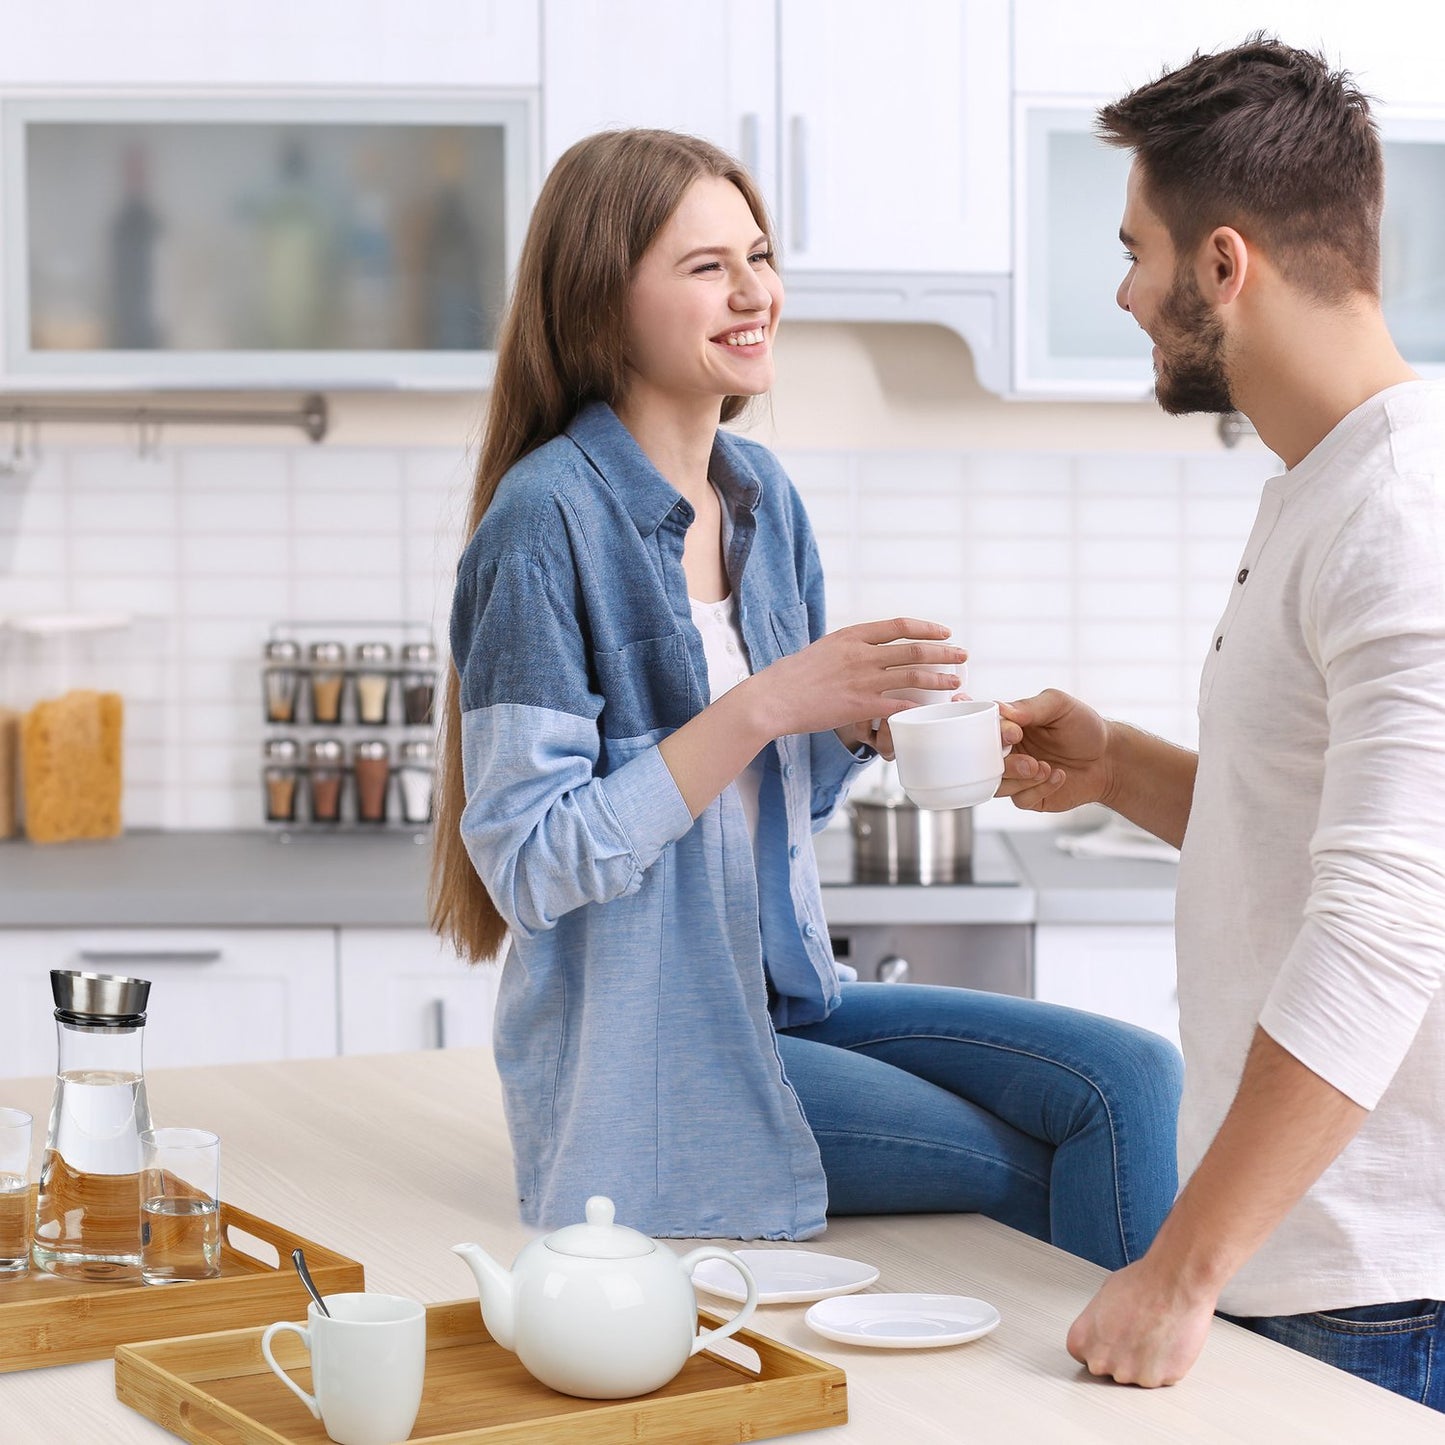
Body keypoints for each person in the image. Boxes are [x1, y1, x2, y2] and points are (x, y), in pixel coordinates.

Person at [430, 127, 1182, 1271]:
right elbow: (531, 861)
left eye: (759, 255)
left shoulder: (758, 498)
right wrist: (769, 703)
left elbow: (776, 801)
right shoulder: (544, 526)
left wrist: (854, 726)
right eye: (704, 267)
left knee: (1133, 1075)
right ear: (599, 299)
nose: (754, 292)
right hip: (658, 1053)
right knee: (1072, 1151)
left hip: (785, 995)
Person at [998, 37, 1445, 1410]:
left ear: (1224, 264)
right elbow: (1301, 831)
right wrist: (1118, 766)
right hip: (1309, 1261)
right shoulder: (1324, 490)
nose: (1125, 292)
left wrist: (1179, 1268)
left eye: (1137, 250)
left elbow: (1381, 927)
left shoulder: (1400, 516)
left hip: (1369, 1286)